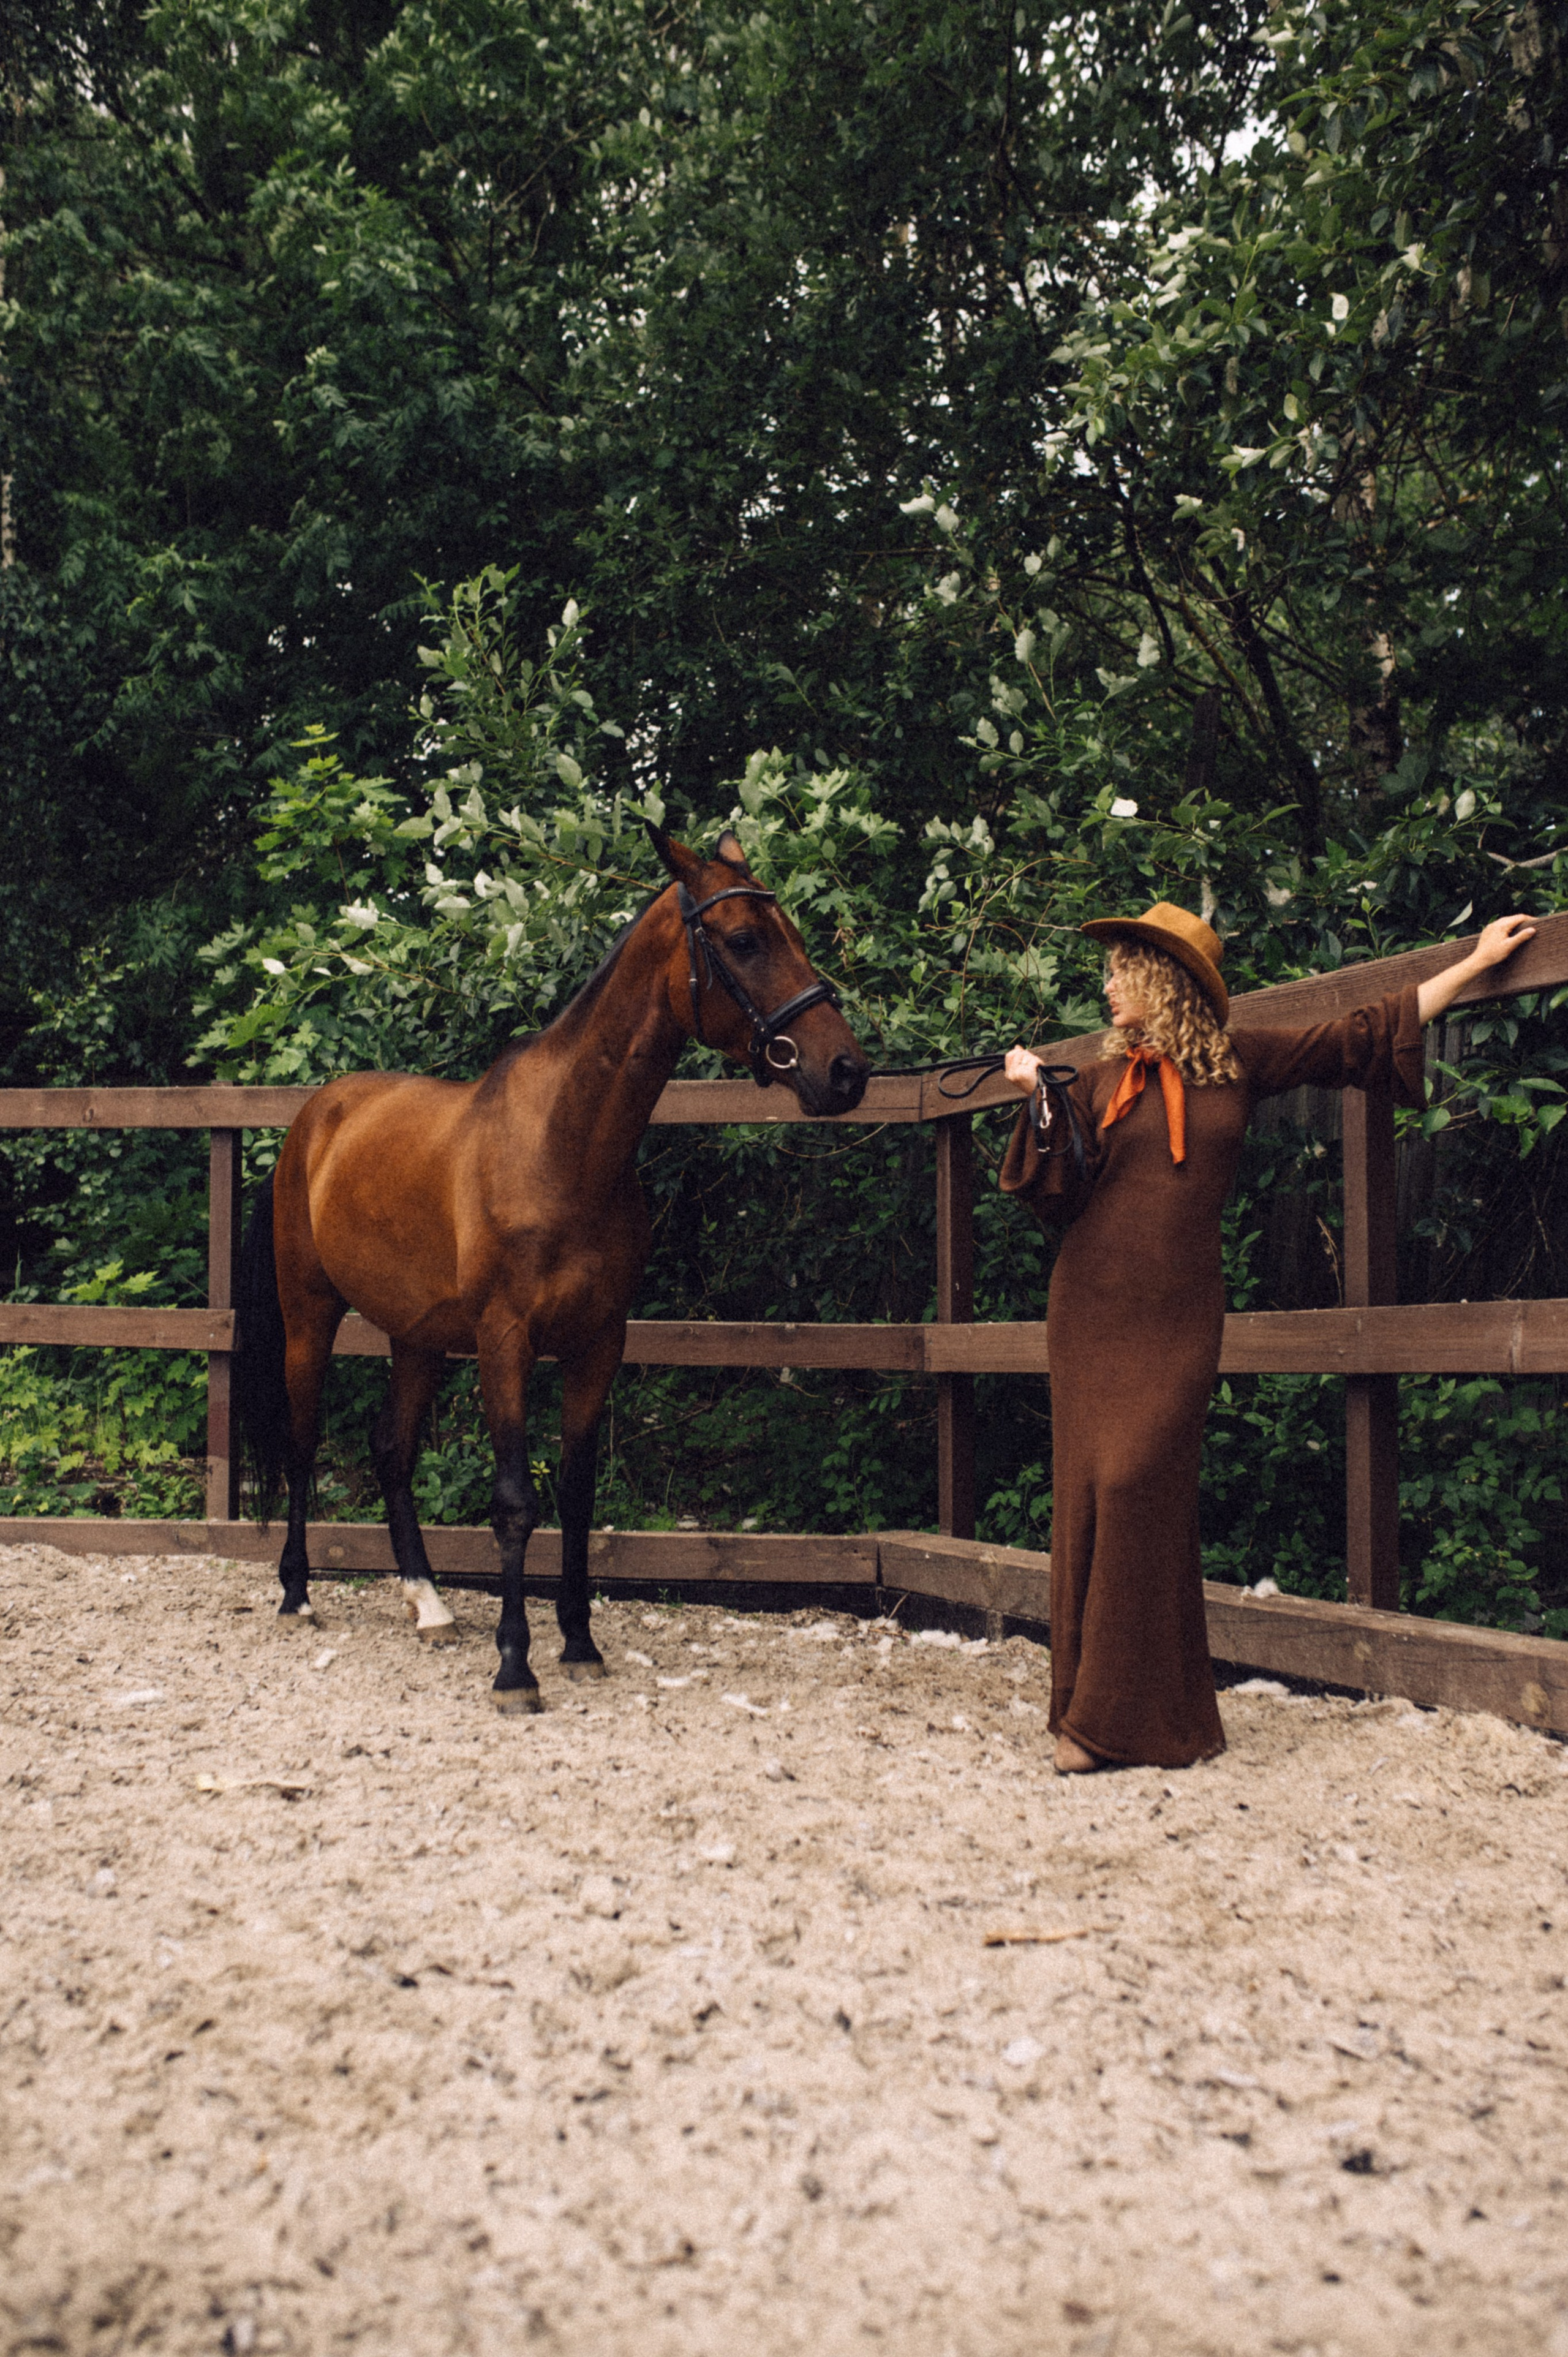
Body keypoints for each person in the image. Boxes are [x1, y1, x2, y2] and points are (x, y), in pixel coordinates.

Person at [999, 900, 1537, 1775]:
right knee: (1095, 1493)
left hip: (1178, 1320)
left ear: (1164, 980)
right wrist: (1040, 1099)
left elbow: (1365, 1034)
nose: (1105, 985)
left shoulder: (1240, 1061)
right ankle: (1103, 1720)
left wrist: (1474, 963)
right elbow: (1055, 1199)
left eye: (1121, 970)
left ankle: (1120, 1721)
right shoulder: (1096, 1082)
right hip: (1090, 1311)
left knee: (1142, 1486)